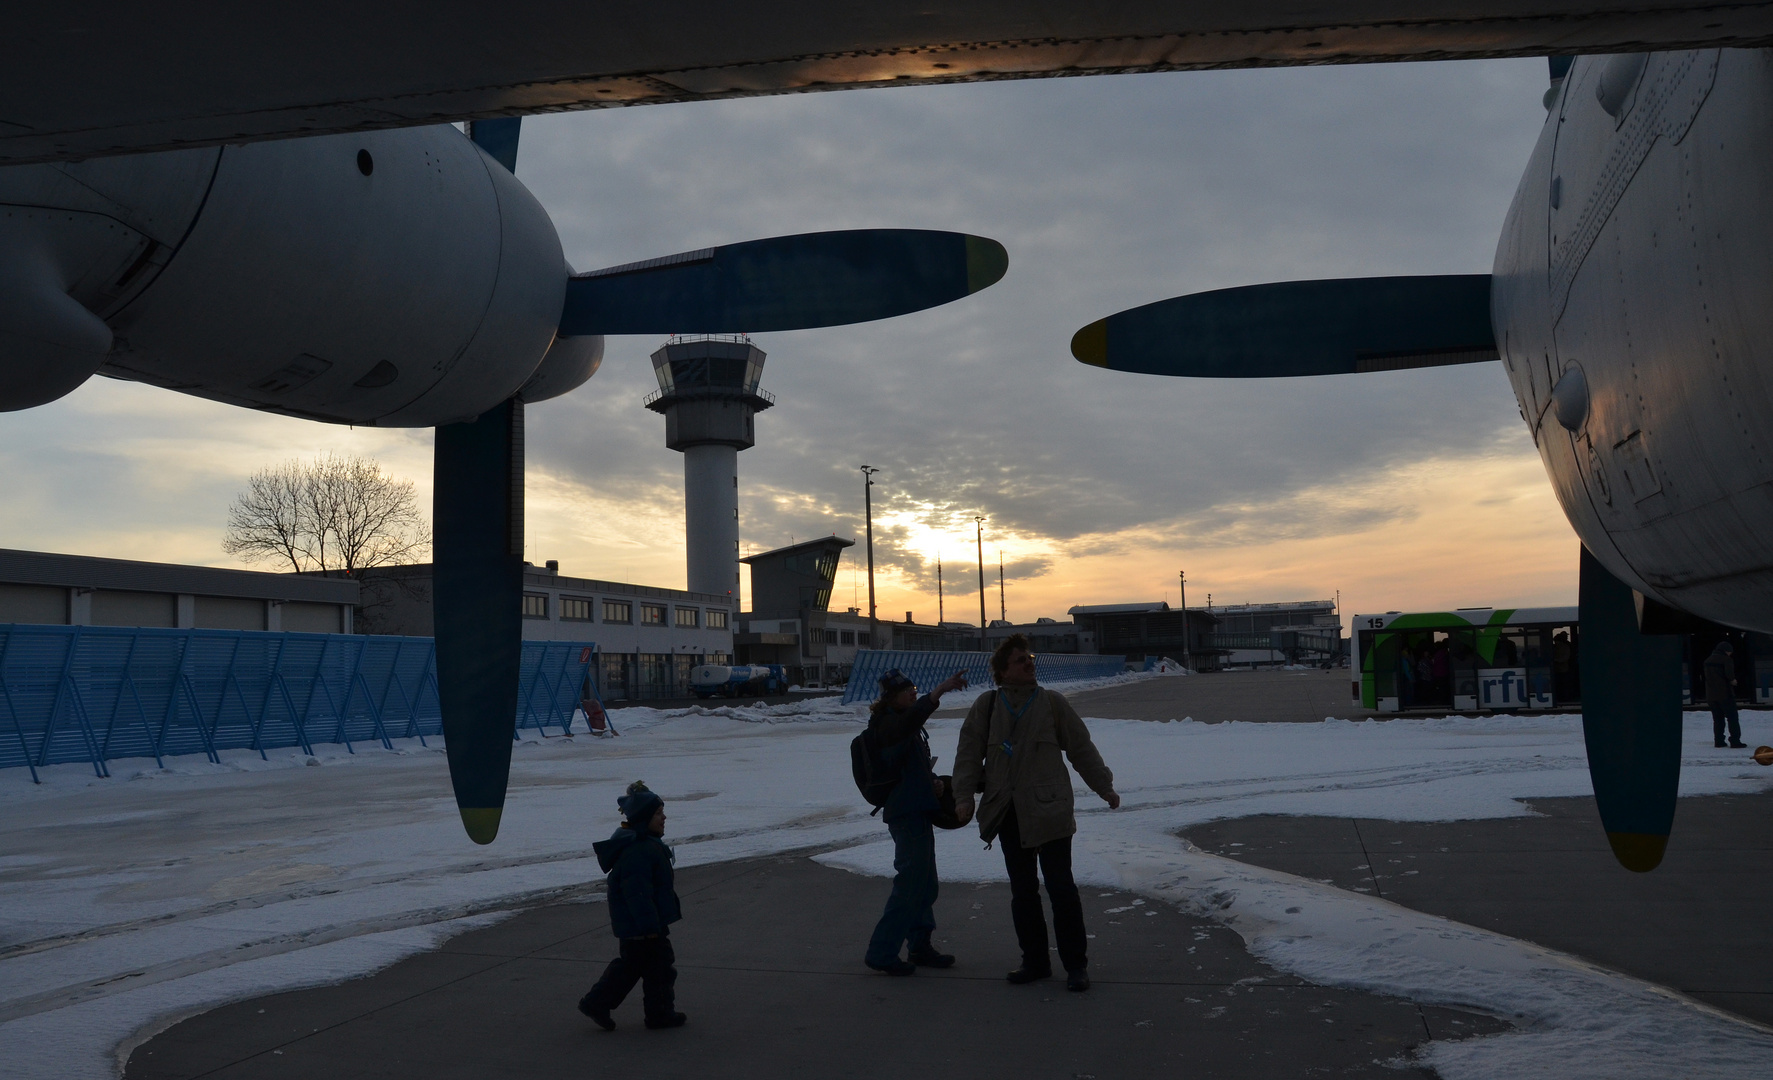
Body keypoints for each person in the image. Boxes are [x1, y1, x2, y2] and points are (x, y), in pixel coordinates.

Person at [951, 634, 1120, 992]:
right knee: (1023, 892)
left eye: (1029, 657)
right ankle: (1035, 962)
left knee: (1062, 889)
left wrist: (1103, 786)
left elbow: (1081, 748)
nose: (1029, 663)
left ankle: (1076, 966)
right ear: (1002, 671)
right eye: (1019, 660)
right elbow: (967, 755)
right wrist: (963, 797)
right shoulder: (987, 706)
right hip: (1007, 812)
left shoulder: (1051, 703)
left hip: (1051, 810)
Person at [863, 666, 970, 975]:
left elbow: (910, 767)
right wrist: (936, 693)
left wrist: (933, 782)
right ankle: (881, 952)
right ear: (891, 697)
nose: (913, 692)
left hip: (919, 809)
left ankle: (920, 947)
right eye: (906, 690)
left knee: (926, 886)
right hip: (906, 815)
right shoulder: (886, 725)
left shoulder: (904, 728)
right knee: (910, 886)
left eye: (914, 688)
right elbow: (908, 723)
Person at [578, 781, 686, 1030]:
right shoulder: (639, 851)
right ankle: (658, 1015)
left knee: (636, 967)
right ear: (643, 818)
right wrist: (649, 926)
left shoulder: (645, 845)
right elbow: (637, 894)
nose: (664, 817)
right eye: (658, 814)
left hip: (642, 925)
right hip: (643, 927)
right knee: (657, 969)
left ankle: (599, 1002)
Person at [1704, 641, 1745, 749]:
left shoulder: (1707, 660)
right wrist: (1733, 681)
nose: (1730, 654)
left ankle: (1719, 741)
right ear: (1726, 651)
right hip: (1725, 694)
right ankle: (1735, 741)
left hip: (1711, 695)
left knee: (1717, 719)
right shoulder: (1726, 660)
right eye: (1730, 652)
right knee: (1732, 718)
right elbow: (1729, 675)